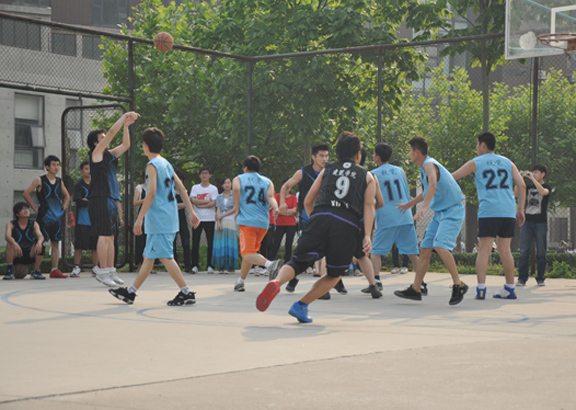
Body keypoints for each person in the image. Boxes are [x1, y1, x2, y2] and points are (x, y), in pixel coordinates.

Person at [256, 131, 376, 323]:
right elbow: (369, 206)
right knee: (335, 274)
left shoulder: (326, 170)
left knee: (297, 261)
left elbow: (308, 201)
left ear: (337, 153)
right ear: (358, 155)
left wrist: (316, 220)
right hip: (346, 223)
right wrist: (367, 235)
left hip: (320, 216)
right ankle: (300, 305)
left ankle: (276, 282)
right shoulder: (367, 175)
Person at [109, 127, 200, 306]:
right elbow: (182, 188)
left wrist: (140, 218)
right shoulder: (166, 163)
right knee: (149, 257)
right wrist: (191, 212)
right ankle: (131, 292)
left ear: (144, 145)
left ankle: (186, 292)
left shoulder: (151, 165)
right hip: (168, 216)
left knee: (165, 257)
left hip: (160, 218)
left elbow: (150, 193)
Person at [394, 136, 469, 306]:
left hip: (452, 210)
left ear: (416, 152)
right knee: (425, 248)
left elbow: (433, 185)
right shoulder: (425, 168)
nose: (409, 154)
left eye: (410, 151)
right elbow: (427, 190)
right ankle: (416, 288)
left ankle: (459, 284)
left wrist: (423, 208)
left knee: (440, 246)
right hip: (441, 213)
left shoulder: (429, 164)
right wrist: (410, 204)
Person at [452, 132, 526, 299]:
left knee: (484, 250)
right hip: (508, 210)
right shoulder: (508, 162)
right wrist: (520, 209)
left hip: (489, 210)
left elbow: (453, 177)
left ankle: (481, 289)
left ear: (483, 145)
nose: (476, 148)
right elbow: (522, 185)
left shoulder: (476, 162)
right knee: (505, 250)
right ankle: (510, 288)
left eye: (477, 144)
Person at [280, 142, 344, 295]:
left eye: (327, 156)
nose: (325, 159)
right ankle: (293, 277)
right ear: (313, 157)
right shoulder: (303, 172)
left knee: (329, 249)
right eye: (321, 156)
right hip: (306, 218)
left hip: (326, 217)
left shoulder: (332, 171)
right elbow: (286, 186)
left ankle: (331, 282)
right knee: (303, 250)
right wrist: (282, 202)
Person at [87, 111, 139, 287]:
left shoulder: (110, 155)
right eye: (101, 138)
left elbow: (126, 145)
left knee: (110, 237)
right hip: (99, 198)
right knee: (103, 236)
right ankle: (102, 271)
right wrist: (124, 116)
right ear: (96, 143)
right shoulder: (96, 154)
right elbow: (111, 132)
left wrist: (126, 126)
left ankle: (110, 270)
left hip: (110, 198)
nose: (106, 138)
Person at [366, 143, 420, 292]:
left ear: (377, 157)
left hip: (387, 216)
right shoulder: (400, 170)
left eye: (374, 154)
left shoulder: (372, 174)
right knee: (412, 253)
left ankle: (376, 281)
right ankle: (421, 283)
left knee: (376, 252)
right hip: (405, 215)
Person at [232, 155, 281, 292]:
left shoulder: (239, 178)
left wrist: (236, 208)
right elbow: (270, 197)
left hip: (247, 221)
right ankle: (241, 281)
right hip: (263, 222)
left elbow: (235, 189)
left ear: (245, 167)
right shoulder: (267, 181)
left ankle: (270, 264)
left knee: (247, 254)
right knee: (251, 253)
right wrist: (276, 208)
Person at [23, 155, 70, 279]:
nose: (56, 167)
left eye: (58, 165)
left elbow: (67, 196)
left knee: (55, 244)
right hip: (44, 217)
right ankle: (36, 270)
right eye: (53, 165)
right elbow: (26, 194)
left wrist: (63, 208)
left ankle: (54, 269)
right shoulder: (40, 180)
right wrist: (34, 208)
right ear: (47, 166)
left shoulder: (60, 181)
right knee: (41, 242)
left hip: (57, 218)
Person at [516, 164, 551, 286]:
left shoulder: (547, 187)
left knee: (541, 252)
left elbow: (543, 192)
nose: (534, 174)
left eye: (536, 172)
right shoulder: (529, 187)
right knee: (524, 251)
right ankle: (522, 278)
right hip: (527, 222)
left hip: (541, 223)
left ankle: (540, 278)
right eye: (532, 172)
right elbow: (516, 194)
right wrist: (519, 178)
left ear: (543, 174)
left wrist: (532, 179)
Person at [4, 202, 45, 280]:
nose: (26, 211)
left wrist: (39, 242)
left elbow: (40, 236)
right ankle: (10, 271)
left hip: (30, 253)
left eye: (27, 209)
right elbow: (7, 236)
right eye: (23, 209)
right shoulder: (11, 224)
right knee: (9, 244)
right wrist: (15, 244)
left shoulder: (34, 223)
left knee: (42, 244)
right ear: (17, 214)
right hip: (17, 253)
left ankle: (36, 271)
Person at [189, 166, 218, 274]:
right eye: (202, 173)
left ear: (210, 175)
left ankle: (210, 265)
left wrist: (200, 203)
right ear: (199, 175)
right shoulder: (195, 187)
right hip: (197, 218)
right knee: (195, 242)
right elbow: (193, 200)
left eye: (206, 173)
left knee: (211, 242)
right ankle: (195, 265)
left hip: (210, 218)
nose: (204, 175)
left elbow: (214, 203)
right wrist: (206, 202)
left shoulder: (213, 189)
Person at [71, 161, 98, 277]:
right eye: (86, 169)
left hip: (95, 221)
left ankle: (95, 268)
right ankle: (76, 267)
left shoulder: (96, 184)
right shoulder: (78, 185)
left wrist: (87, 200)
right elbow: (78, 200)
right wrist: (90, 201)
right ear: (81, 171)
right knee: (79, 246)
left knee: (95, 247)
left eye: (90, 168)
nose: (89, 171)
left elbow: (98, 200)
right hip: (82, 221)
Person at [211, 176, 239, 272]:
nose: (227, 185)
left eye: (229, 182)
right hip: (221, 221)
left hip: (231, 221)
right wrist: (218, 221)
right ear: (222, 185)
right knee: (220, 243)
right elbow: (218, 209)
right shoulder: (219, 196)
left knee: (230, 243)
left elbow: (235, 208)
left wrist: (222, 216)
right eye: (225, 183)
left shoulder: (235, 195)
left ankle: (231, 265)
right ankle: (221, 265)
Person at [270, 179, 298, 263]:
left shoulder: (293, 197)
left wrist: (282, 211)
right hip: (280, 224)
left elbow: (294, 210)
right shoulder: (277, 196)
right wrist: (287, 212)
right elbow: (276, 209)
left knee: (288, 244)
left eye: (288, 188)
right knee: (276, 243)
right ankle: (271, 261)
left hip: (291, 224)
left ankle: (287, 262)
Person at [173, 170, 192, 273]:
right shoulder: (170, 192)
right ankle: (175, 266)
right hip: (172, 220)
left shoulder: (184, 192)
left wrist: (176, 206)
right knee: (173, 243)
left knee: (186, 242)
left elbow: (186, 204)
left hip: (183, 219)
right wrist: (178, 206)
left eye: (180, 179)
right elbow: (169, 205)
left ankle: (188, 266)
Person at [133, 172, 147, 270]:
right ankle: (140, 263)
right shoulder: (139, 187)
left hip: (153, 215)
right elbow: (135, 202)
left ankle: (150, 264)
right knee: (140, 238)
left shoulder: (156, 188)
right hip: (143, 214)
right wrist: (146, 199)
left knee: (151, 239)